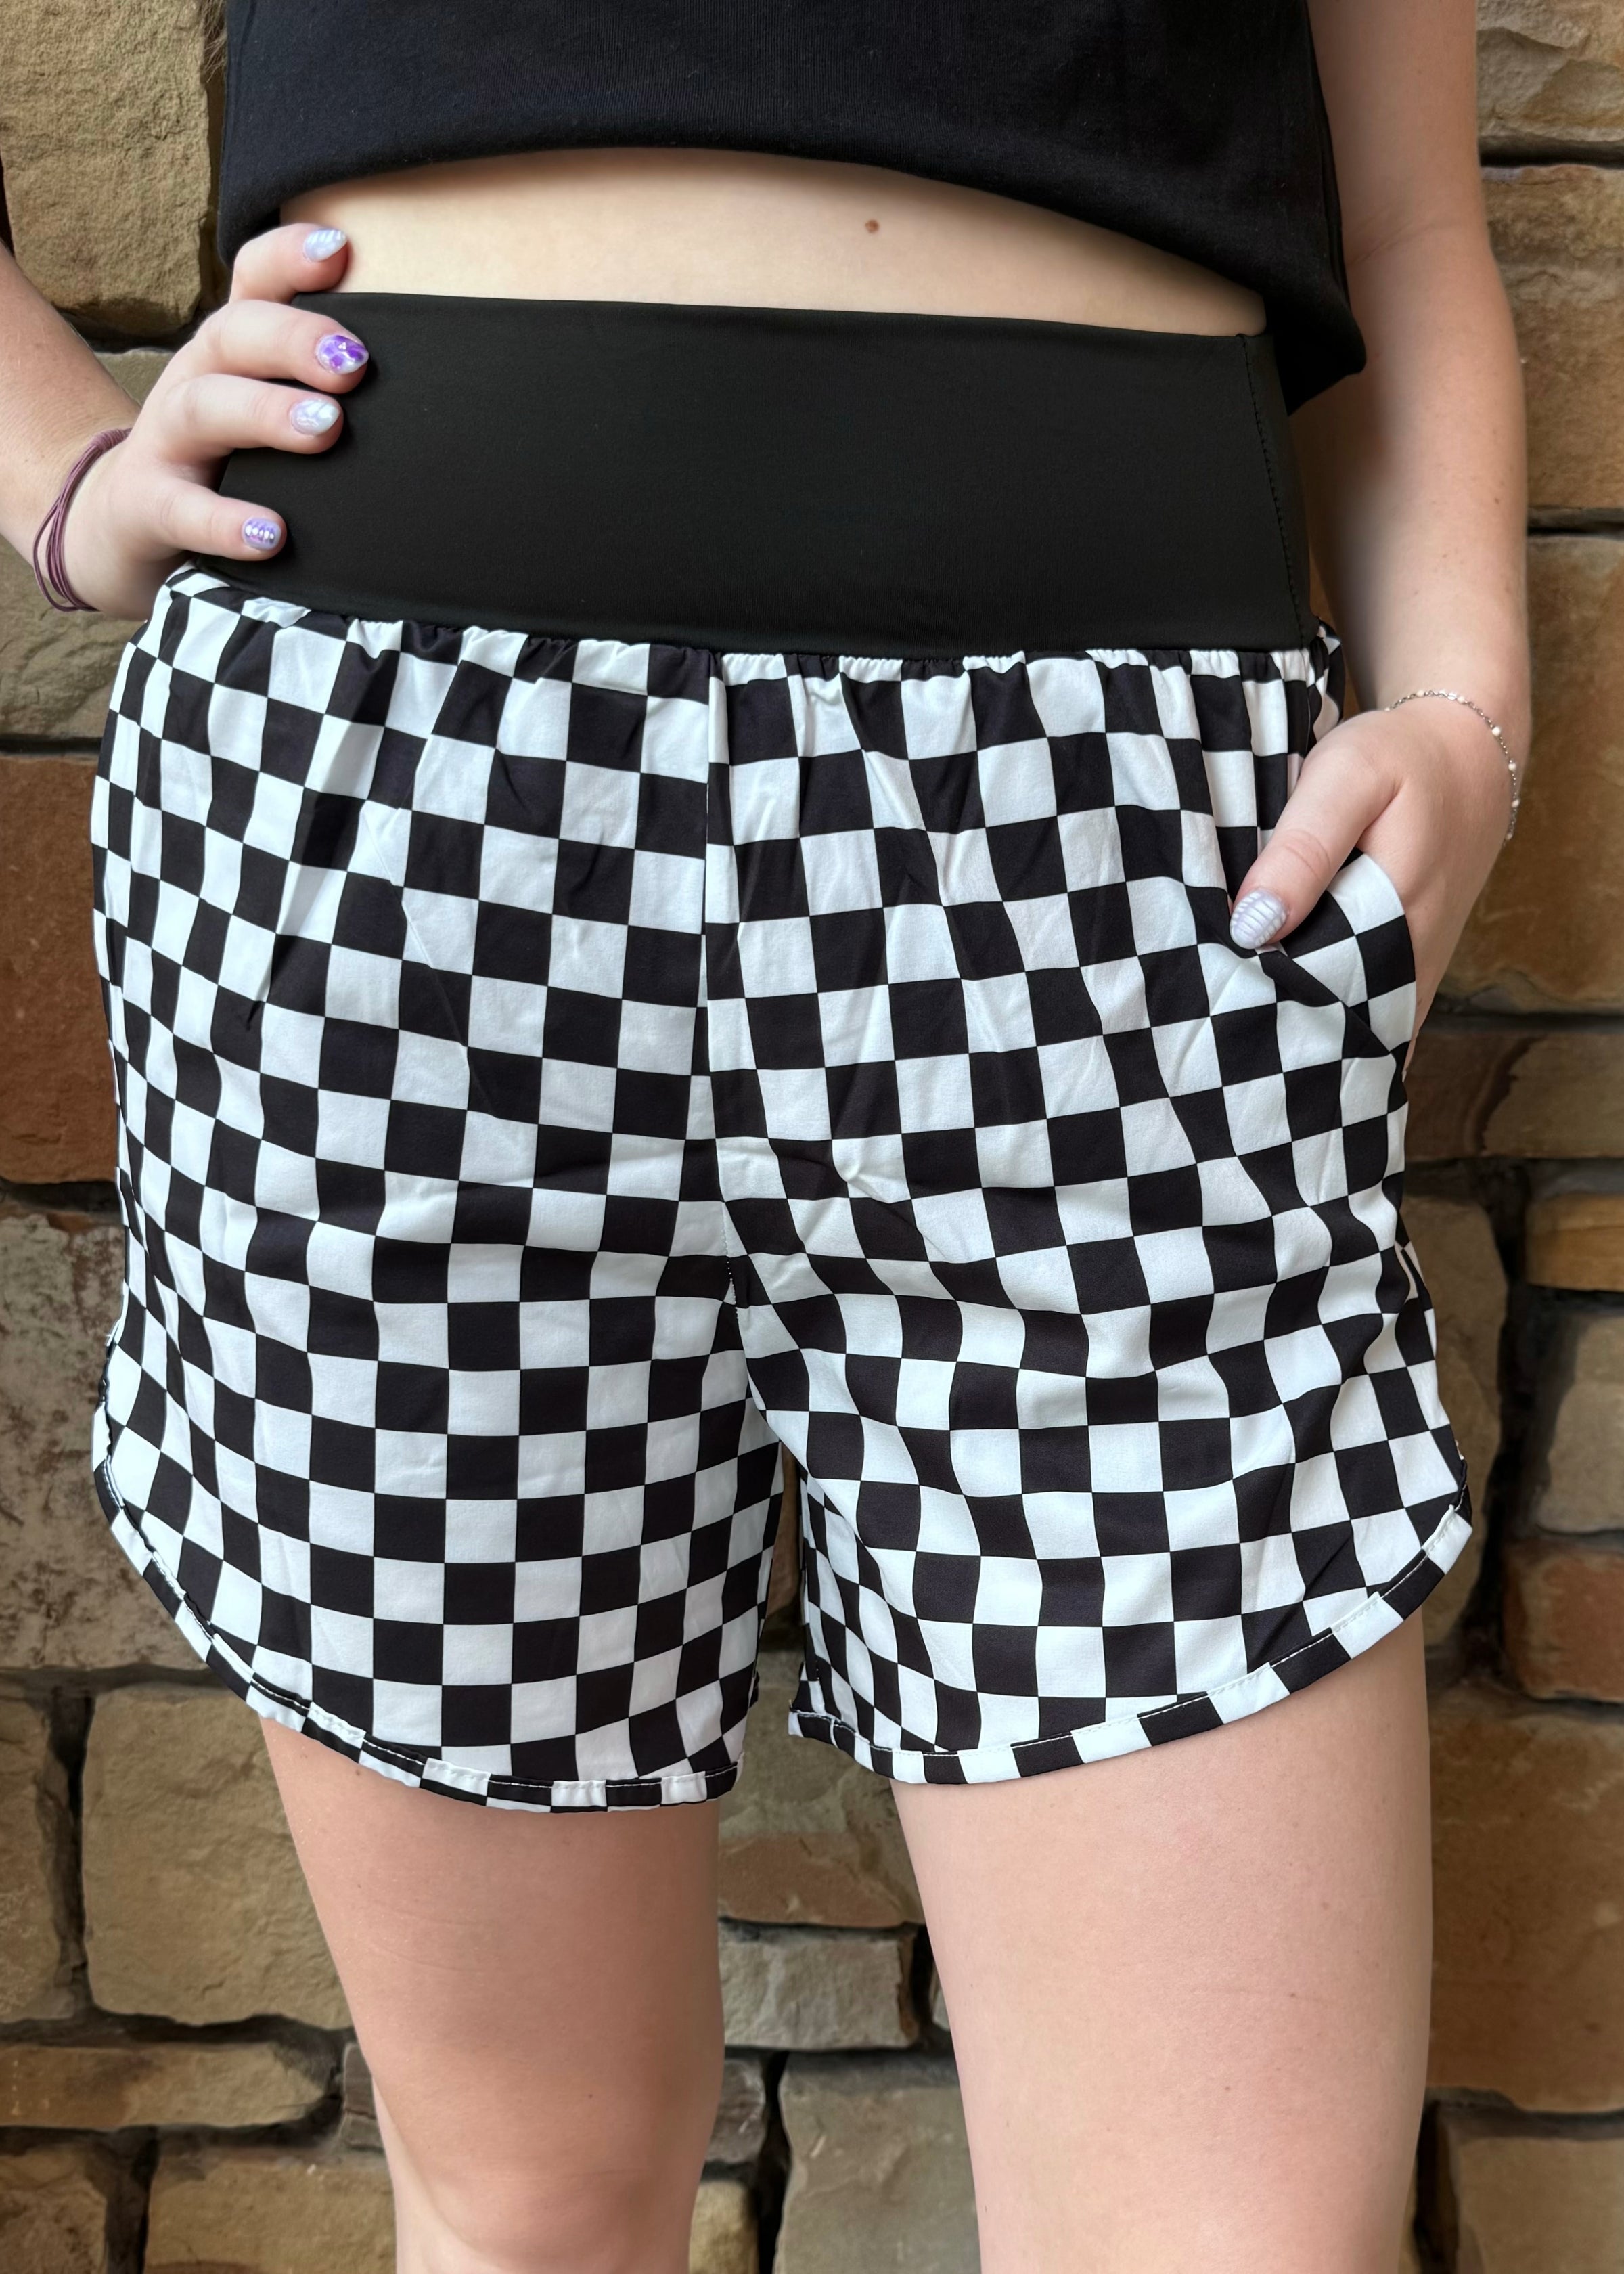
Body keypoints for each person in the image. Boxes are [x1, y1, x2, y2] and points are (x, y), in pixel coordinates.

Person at [1, 2, 1525, 2265]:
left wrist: (1467, 702)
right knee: (532, 2197)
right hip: (401, 849)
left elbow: (1400, 214)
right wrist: (60, 472)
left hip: (1124, 882)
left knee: (1231, 2234)